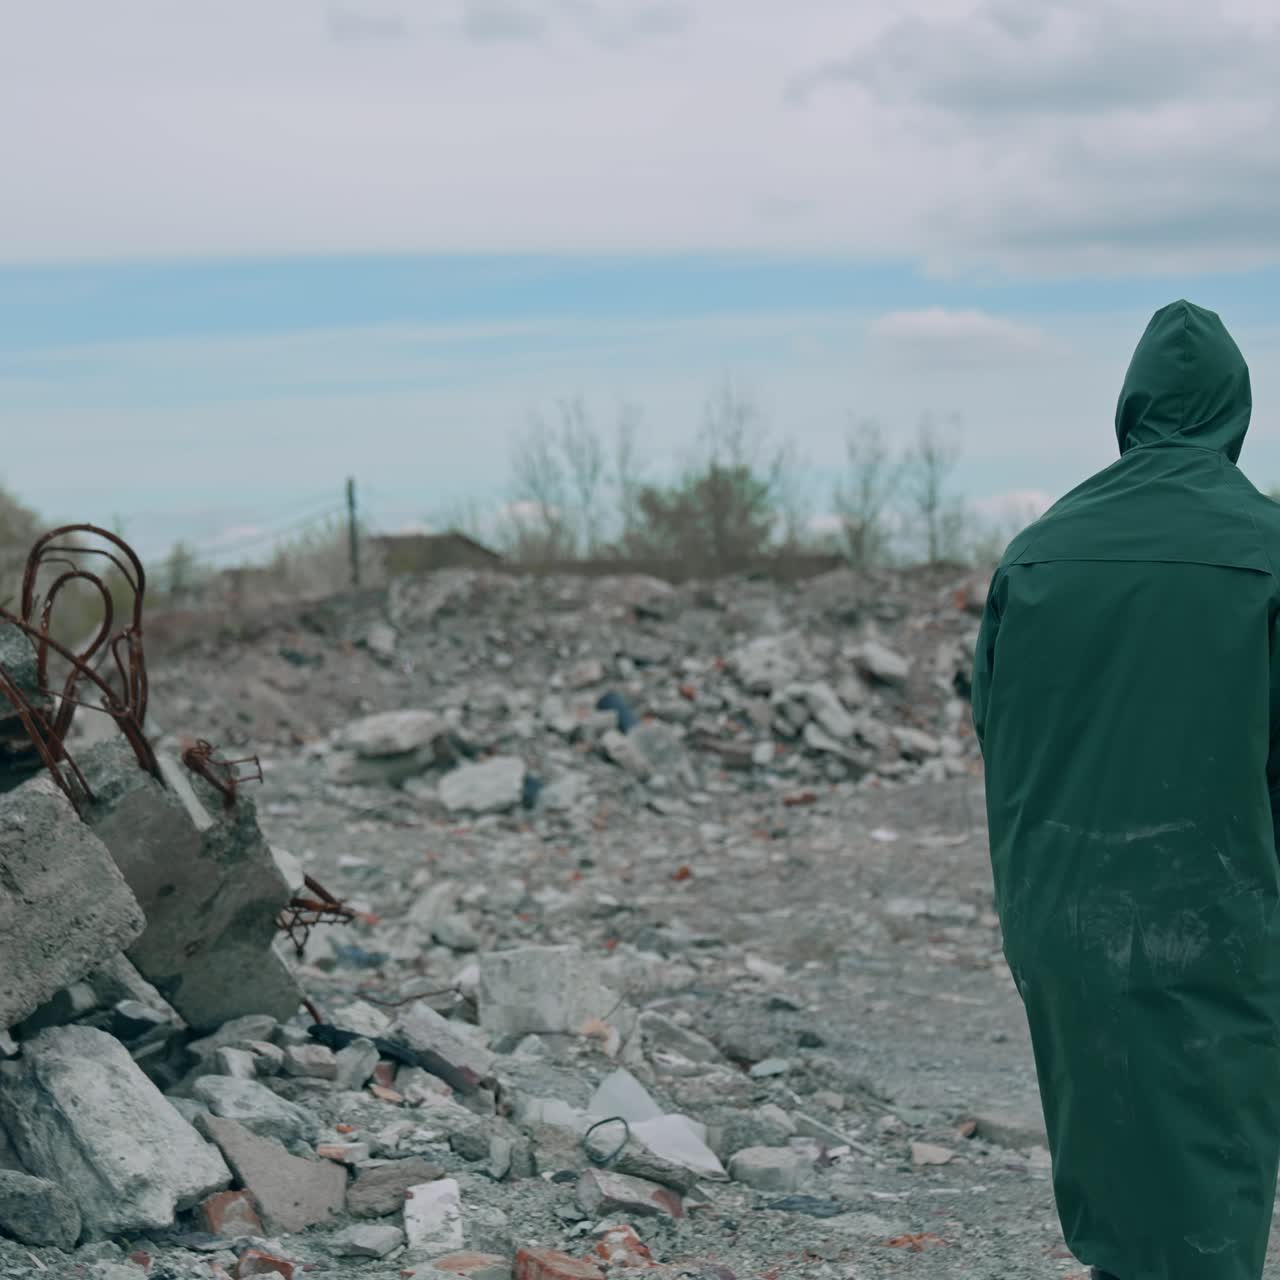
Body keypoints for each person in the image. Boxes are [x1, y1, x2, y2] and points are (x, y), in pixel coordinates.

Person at [972, 299, 1280, 1280]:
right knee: (1208, 1182)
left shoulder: (1037, 550)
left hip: (1059, 916)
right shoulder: (1261, 545)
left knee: (1112, 1165)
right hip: (1215, 917)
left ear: (1130, 406)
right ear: (1232, 407)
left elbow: (1000, 734)